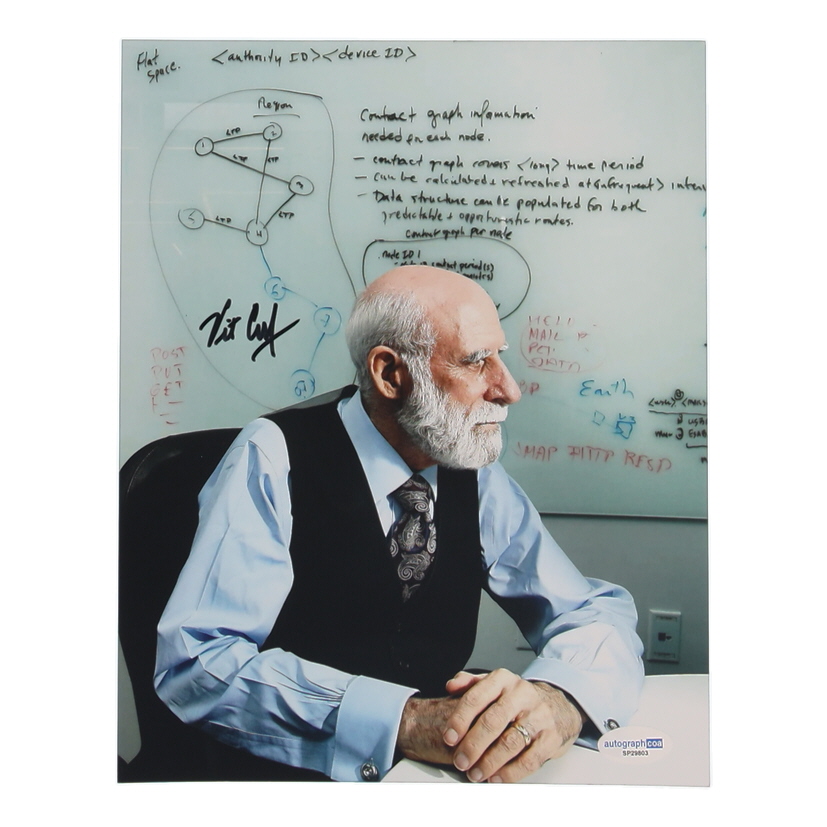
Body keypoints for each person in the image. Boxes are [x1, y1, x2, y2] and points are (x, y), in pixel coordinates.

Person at [155, 265, 644, 783]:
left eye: (499, 356)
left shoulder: (469, 468)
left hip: (427, 782)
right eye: (476, 360)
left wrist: (559, 699)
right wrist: (404, 721)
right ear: (391, 374)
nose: (508, 389)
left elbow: (589, 611)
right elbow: (198, 661)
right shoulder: (272, 457)